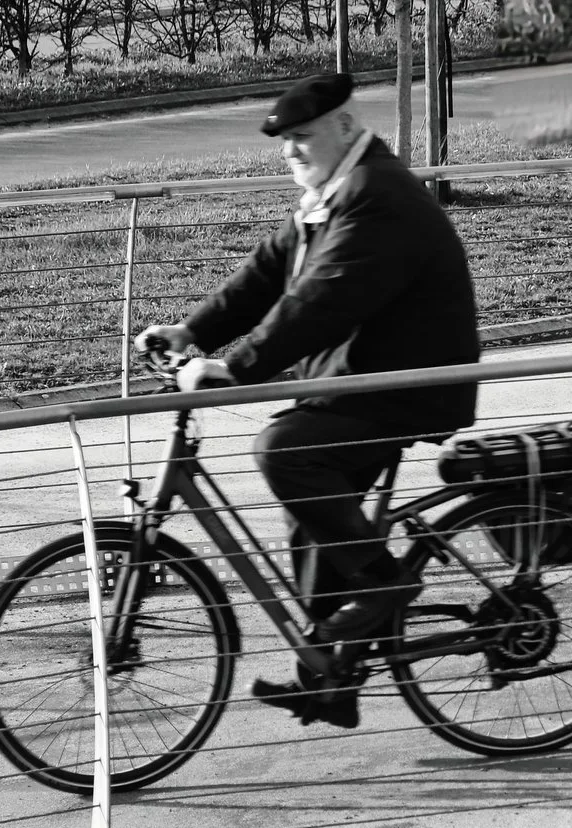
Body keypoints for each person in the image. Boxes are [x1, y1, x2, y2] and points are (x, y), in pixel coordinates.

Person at [133, 70, 481, 731]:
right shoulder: (337, 188)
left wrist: (232, 367)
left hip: (406, 385)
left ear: (344, 126)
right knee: (315, 506)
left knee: (287, 449)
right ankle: (329, 677)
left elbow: (321, 302)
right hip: (362, 377)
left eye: (303, 137)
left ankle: (385, 584)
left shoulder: (377, 196)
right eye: (285, 140)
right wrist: (193, 333)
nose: (291, 150)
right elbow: (271, 272)